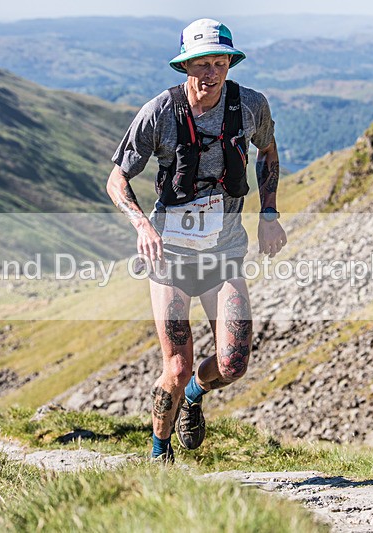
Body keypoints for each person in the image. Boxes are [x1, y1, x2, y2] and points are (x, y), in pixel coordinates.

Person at [106, 18, 287, 462]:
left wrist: (268, 212)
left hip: (224, 252)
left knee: (233, 363)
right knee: (176, 362)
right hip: (170, 254)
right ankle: (158, 452)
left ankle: (193, 395)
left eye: (219, 63)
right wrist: (142, 226)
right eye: (201, 64)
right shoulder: (159, 113)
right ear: (185, 66)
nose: (211, 73)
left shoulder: (251, 106)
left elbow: (268, 152)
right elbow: (116, 180)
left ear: (230, 62)